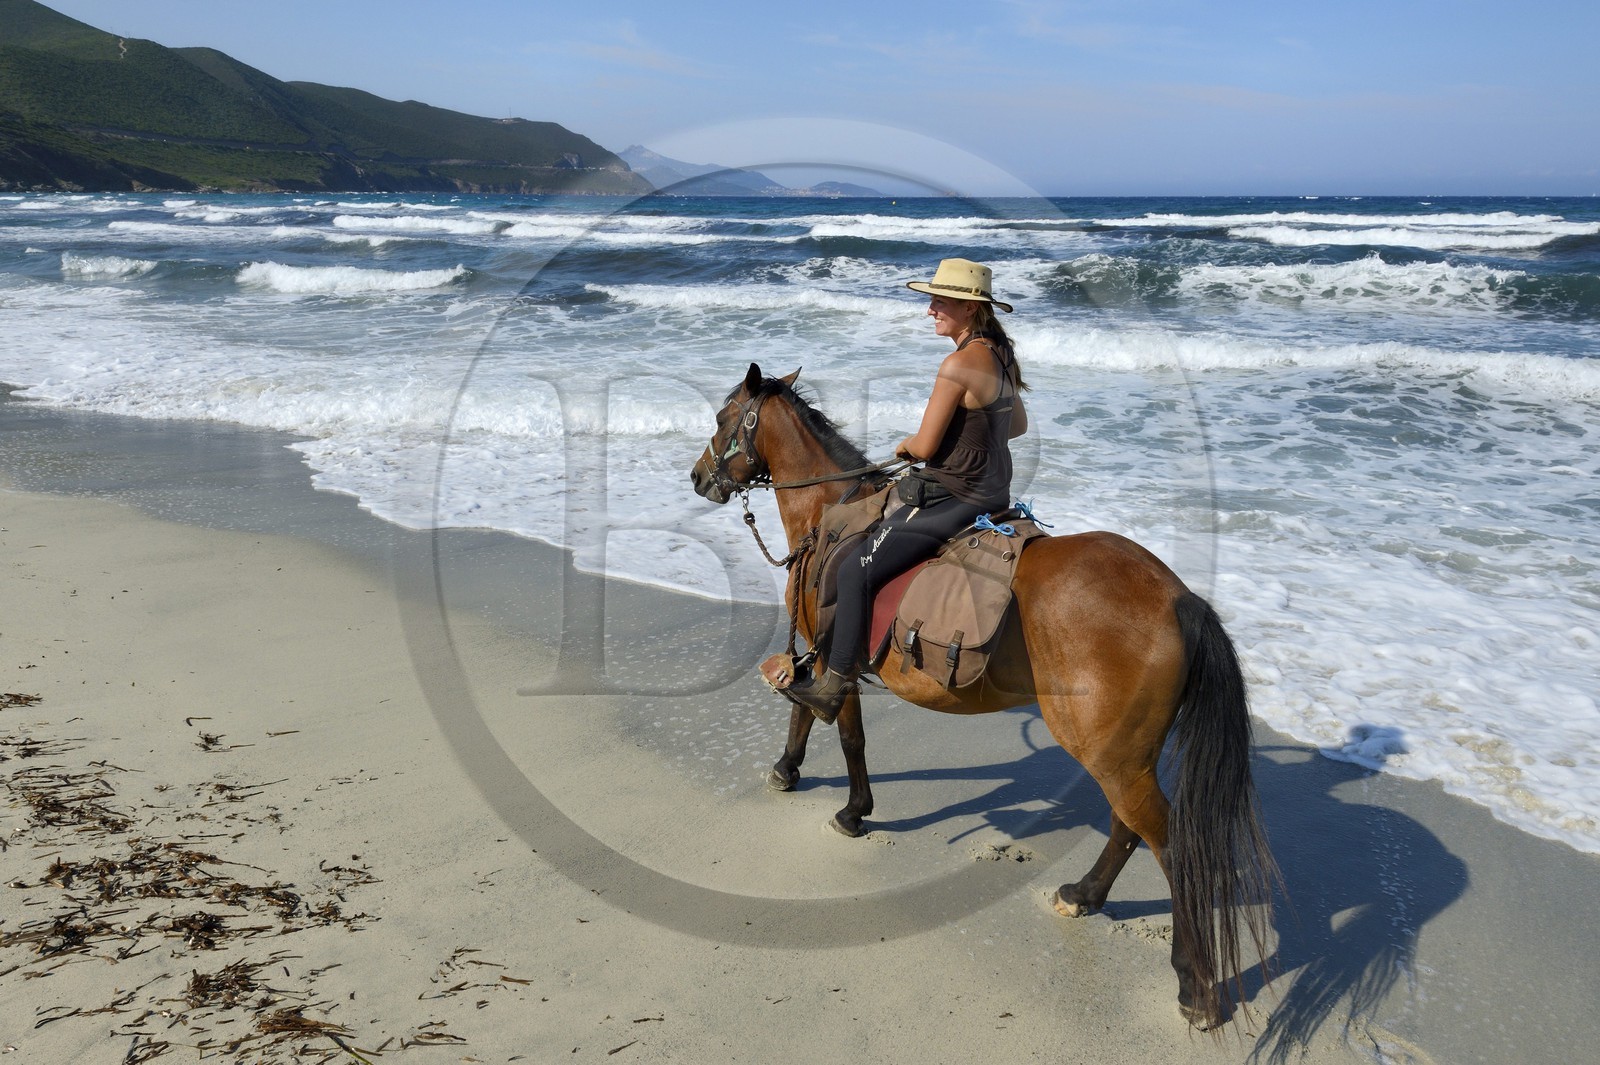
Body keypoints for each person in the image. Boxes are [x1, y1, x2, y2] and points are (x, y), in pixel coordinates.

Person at [786, 258, 1029, 724]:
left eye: (940, 301)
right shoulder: (1001, 355)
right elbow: (1015, 426)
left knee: (856, 569)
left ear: (969, 307)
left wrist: (907, 446)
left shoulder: (958, 363)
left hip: (954, 498)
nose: (930, 309)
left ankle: (832, 686)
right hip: (995, 493)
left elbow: (925, 444)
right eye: (932, 300)